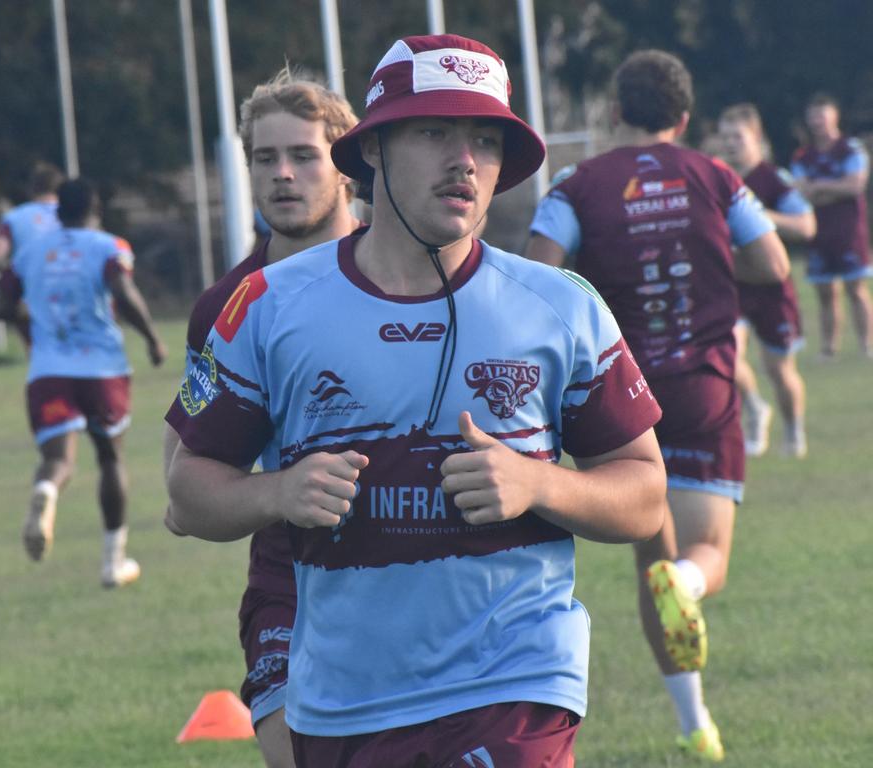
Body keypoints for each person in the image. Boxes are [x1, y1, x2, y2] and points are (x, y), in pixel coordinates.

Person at [166, 34, 667, 767]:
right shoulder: (268, 305)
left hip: (516, 681)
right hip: (342, 699)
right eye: (435, 132)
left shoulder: (561, 307)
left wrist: (538, 482)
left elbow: (646, 492)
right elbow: (188, 494)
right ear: (372, 150)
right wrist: (279, 491)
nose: (463, 159)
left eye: (484, 140)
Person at [527, 50, 789, 761]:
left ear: (615, 111)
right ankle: (690, 583)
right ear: (684, 116)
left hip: (621, 398)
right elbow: (773, 263)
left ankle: (694, 722)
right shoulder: (716, 177)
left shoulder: (577, 185)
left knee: (652, 555)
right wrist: (708, 261)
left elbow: (537, 276)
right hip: (704, 386)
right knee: (705, 559)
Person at [162, 67, 360, 768]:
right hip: (289, 582)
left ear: (347, 164)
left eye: (304, 155)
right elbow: (181, 491)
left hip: (417, 571)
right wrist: (275, 491)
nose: (283, 174)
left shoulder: (415, 276)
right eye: (264, 157)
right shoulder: (226, 306)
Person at [0, 178, 167, 587]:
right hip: (102, 370)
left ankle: (47, 491)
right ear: (97, 210)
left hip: (48, 370)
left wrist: (25, 321)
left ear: (57, 213)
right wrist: (151, 337)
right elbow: (122, 292)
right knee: (110, 459)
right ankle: (113, 563)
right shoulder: (110, 247)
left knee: (59, 459)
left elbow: (2, 305)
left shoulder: (30, 253)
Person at [718, 103, 816, 458]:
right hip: (732, 287)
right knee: (725, 353)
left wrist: (754, 215)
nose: (730, 144)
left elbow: (806, 226)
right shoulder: (718, 178)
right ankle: (756, 408)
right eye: (724, 137)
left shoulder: (775, 179)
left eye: (737, 137)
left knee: (779, 369)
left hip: (773, 289)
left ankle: (793, 428)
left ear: (756, 138)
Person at [791, 93, 873, 359]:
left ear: (834, 116)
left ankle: (867, 345)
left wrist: (822, 186)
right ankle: (828, 349)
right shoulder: (803, 156)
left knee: (855, 289)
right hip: (818, 232)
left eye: (822, 115)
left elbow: (855, 185)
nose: (817, 122)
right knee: (825, 293)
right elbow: (801, 193)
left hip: (849, 231)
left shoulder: (851, 149)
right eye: (813, 116)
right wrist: (833, 188)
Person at [0, 162, 64, 270]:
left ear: (31, 188)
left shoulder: (15, 217)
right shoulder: (74, 215)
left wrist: (16, 273)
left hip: (32, 284)